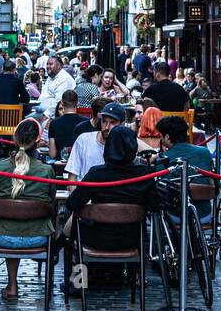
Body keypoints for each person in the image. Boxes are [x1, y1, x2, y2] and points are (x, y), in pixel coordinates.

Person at [0, 119, 56, 302]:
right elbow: (52, 200)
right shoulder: (46, 170)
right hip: (37, 235)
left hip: (1, 235)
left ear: (14, 140)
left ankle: (12, 285)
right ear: (38, 142)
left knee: (11, 223)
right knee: (19, 224)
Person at [64, 124, 156, 253]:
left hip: (97, 238)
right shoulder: (145, 174)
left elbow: (72, 203)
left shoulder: (96, 173)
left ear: (108, 147)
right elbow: (154, 205)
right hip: (132, 239)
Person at [65, 100, 124, 180]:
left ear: (122, 124)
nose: (107, 127)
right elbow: (72, 178)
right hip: (84, 190)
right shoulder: (83, 140)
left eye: (113, 122)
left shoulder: (125, 144)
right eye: (104, 121)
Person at [47, 90, 89, 159]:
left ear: (62, 103)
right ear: (77, 103)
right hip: (80, 164)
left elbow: (52, 154)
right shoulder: (86, 122)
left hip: (61, 165)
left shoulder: (54, 123)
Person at [39, 54, 75, 119]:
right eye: (47, 64)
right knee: (25, 120)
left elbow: (58, 102)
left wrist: (45, 116)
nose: (47, 66)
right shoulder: (51, 77)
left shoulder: (64, 79)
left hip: (54, 116)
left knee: (30, 125)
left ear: (58, 66)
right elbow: (44, 94)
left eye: (50, 64)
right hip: (41, 112)